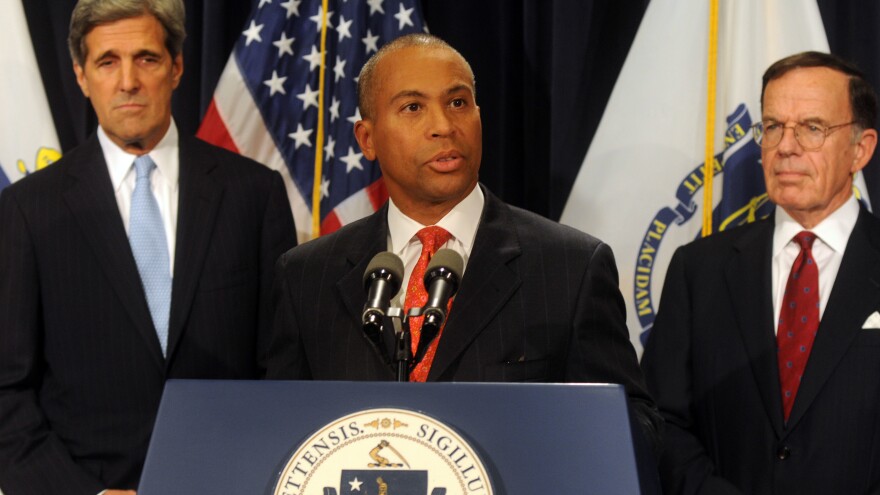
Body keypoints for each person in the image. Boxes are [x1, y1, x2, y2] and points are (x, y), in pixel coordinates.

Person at [266, 33, 662, 450]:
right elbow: (280, 430)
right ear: (367, 139)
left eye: (458, 103)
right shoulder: (306, 276)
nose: (443, 126)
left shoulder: (570, 266)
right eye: (413, 107)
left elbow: (636, 430)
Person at [0, 0, 296, 493]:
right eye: (107, 62)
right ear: (80, 75)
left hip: (228, 483)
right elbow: (7, 390)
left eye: (147, 59)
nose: (128, 82)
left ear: (177, 67)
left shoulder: (254, 194)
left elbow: (283, 366)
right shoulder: (29, 211)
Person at [641, 51, 880, 494]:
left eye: (812, 128)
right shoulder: (698, 270)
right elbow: (659, 420)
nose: (785, 146)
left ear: (860, 149)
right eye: (772, 126)